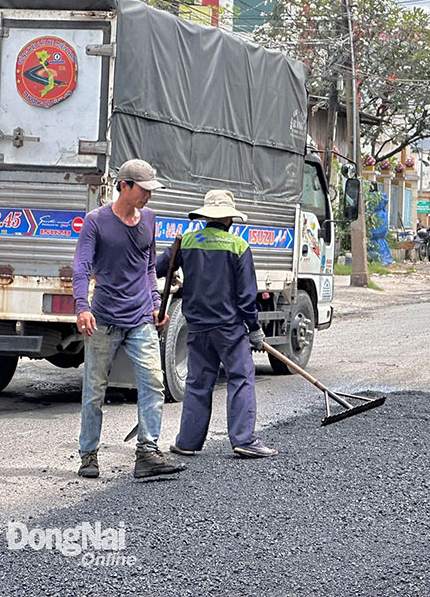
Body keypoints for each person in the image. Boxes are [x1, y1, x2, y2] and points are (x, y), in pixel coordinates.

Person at [73, 159, 185, 480]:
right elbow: (81, 267)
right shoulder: (96, 222)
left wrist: (154, 303)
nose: (149, 196)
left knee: (154, 381)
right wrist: (82, 306)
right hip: (104, 319)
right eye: (144, 189)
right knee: (95, 389)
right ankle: (89, 454)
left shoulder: (149, 219)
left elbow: (148, 267)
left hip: (140, 319)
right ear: (124, 186)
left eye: (151, 190)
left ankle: (147, 452)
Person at [156, 190, 277, 459]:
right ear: (230, 220)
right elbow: (246, 296)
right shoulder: (238, 246)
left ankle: (187, 442)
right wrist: (254, 328)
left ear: (205, 218)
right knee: (241, 378)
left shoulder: (185, 242)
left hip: (197, 327)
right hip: (229, 329)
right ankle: (244, 439)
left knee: (198, 384)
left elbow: (157, 268)